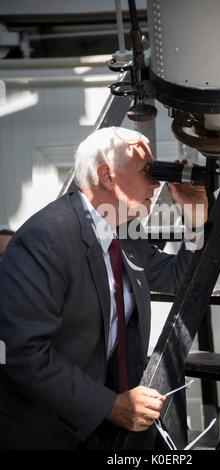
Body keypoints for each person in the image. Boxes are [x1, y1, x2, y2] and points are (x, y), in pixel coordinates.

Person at [0, 127, 208, 450]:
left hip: (99, 432)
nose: (156, 182)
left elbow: (178, 279)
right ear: (106, 176)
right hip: (43, 430)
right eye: (146, 171)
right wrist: (112, 406)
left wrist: (194, 216)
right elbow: (24, 352)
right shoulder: (48, 236)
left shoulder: (127, 234)